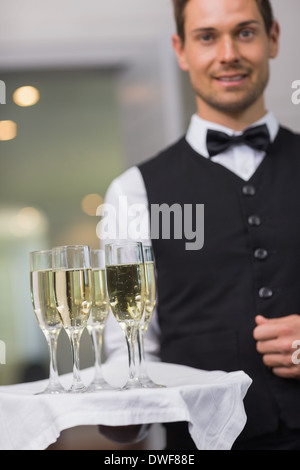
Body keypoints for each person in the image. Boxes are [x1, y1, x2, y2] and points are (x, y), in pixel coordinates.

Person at [101, 0, 300, 450]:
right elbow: (128, 346)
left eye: (245, 32)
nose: (227, 53)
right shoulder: (131, 193)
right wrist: (126, 418)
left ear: (273, 38)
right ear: (181, 49)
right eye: (207, 36)